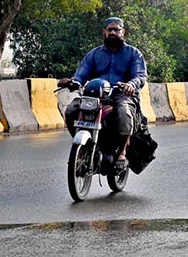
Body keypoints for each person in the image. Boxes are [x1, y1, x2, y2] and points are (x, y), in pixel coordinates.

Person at [58, 17, 147, 169]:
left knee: (124, 113)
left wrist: (131, 85)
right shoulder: (94, 54)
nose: (113, 32)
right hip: (95, 94)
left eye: (116, 30)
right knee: (72, 110)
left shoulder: (134, 54)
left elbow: (140, 76)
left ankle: (122, 152)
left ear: (123, 32)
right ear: (104, 32)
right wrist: (74, 82)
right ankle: (85, 147)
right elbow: (82, 73)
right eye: (109, 30)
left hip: (122, 94)